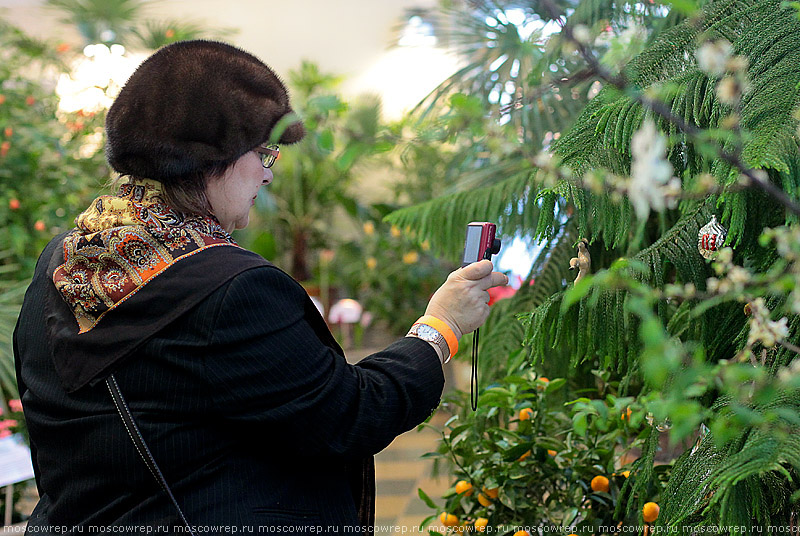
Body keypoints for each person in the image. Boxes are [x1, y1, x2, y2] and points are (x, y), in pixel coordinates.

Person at [13, 40, 508, 535]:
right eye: (263, 153)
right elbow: (351, 414)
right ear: (210, 157)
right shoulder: (231, 290)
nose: (269, 174)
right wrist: (440, 327)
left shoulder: (63, 261)